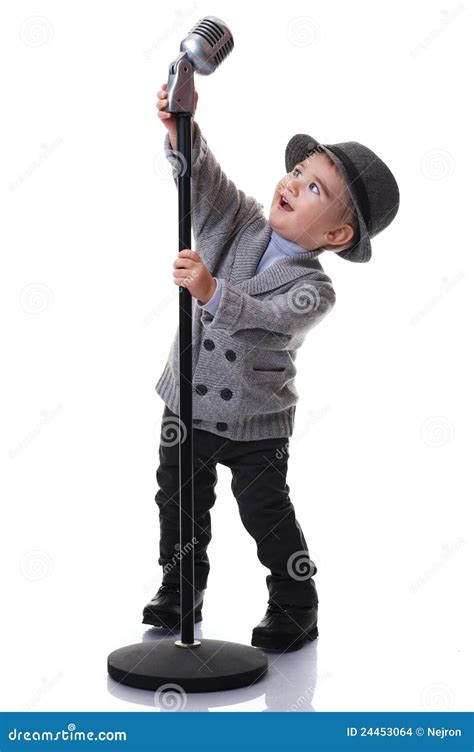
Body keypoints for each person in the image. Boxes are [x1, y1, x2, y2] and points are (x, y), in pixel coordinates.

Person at [142, 82, 400, 652]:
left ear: (335, 235)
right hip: (185, 402)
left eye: (313, 187)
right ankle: (180, 587)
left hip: (256, 424)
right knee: (177, 500)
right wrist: (183, 133)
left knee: (266, 513)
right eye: (298, 171)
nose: (292, 183)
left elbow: (267, 320)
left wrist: (211, 290)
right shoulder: (238, 222)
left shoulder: (315, 289)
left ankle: (295, 601)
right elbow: (204, 184)